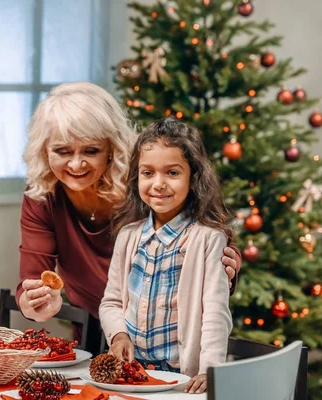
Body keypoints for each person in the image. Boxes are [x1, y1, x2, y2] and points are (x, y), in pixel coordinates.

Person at [16, 82, 239, 345]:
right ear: (44, 149)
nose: (76, 164)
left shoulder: (145, 184)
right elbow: (30, 282)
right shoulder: (43, 196)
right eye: (62, 151)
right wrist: (35, 303)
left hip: (166, 332)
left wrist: (228, 268)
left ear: (112, 147)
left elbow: (206, 239)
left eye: (91, 150)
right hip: (95, 325)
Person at [99, 117, 233, 394]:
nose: (158, 183)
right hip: (133, 373)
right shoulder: (128, 236)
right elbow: (111, 301)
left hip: (181, 380)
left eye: (172, 173)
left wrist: (210, 370)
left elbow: (215, 312)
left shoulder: (208, 239)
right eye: (148, 173)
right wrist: (118, 335)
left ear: (193, 178)